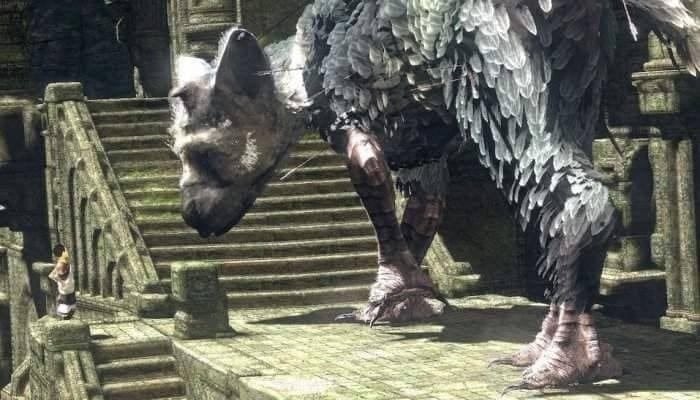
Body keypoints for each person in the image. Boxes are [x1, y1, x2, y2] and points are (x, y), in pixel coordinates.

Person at [48, 244, 76, 319]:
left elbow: (54, 275)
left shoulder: (63, 262)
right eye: (65, 250)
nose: (67, 252)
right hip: (66, 286)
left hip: (68, 285)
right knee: (66, 302)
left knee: (69, 300)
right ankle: (66, 314)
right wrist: (60, 281)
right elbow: (58, 275)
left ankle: (68, 312)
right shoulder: (61, 264)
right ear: (62, 252)